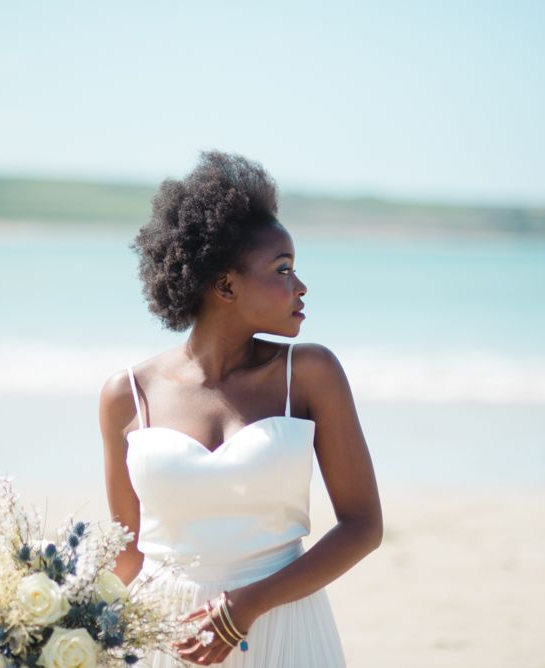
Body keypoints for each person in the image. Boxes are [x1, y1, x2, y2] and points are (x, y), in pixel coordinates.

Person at [99, 150, 383, 667]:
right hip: (166, 636)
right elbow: (127, 553)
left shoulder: (311, 374)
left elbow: (363, 525)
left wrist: (247, 606)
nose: (300, 286)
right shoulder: (128, 394)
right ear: (226, 285)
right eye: (283, 270)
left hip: (284, 625)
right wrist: (57, 622)